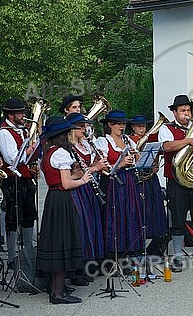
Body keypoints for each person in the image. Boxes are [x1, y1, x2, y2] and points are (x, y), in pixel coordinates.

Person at [37, 116, 88, 304]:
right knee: (63, 241)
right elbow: (66, 184)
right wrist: (84, 179)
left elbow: (54, 179)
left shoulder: (48, 152)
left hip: (53, 199)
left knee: (57, 240)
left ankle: (56, 288)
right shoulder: (60, 153)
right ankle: (58, 293)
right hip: (62, 200)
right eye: (67, 133)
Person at [158, 95, 193, 272]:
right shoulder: (167, 128)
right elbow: (166, 147)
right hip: (176, 182)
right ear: (174, 113)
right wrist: (189, 141)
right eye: (182, 111)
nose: (186, 114)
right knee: (178, 220)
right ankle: (177, 257)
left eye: (188, 110)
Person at [95, 110, 143, 262]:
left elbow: (137, 161)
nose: (122, 127)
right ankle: (112, 256)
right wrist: (121, 163)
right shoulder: (103, 142)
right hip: (112, 181)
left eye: (123, 123)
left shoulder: (128, 140)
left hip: (128, 180)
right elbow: (102, 166)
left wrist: (137, 157)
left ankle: (128, 252)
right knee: (114, 216)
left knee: (129, 214)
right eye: (118, 123)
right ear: (110, 124)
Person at [66, 112, 107, 285]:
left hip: (88, 188)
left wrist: (98, 163)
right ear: (72, 129)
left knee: (91, 225)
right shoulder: (68, 148)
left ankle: (90, 265)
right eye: (81, 126)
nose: (84, 129)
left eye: (85, 126)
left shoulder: (85, 144)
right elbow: (75, 173)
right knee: (81, 228)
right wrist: (96, 167)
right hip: (77, 190)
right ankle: (77, 271)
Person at [0, 98, 38, 268]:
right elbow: (11, 158)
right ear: (10, 115)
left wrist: (33, 162)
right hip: (12, 179)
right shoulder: (4, 132)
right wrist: (29, 150)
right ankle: (12, 257)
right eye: (20, 113)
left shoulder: (22, 131)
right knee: (13, 218)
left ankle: (27, 252)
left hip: (25, 178)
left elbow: (26, 159)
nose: (23, 115)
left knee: (29, 214)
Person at [127, 114, 169, 250]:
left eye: (144, 126)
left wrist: (155, 164)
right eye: (139, 126)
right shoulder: (130, 140)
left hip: (150, 177)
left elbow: (155, 156)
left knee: (155, 207)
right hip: (138, 177)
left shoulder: (150, 140)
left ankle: (156, 241)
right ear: (133, 127)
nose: (142, 128)